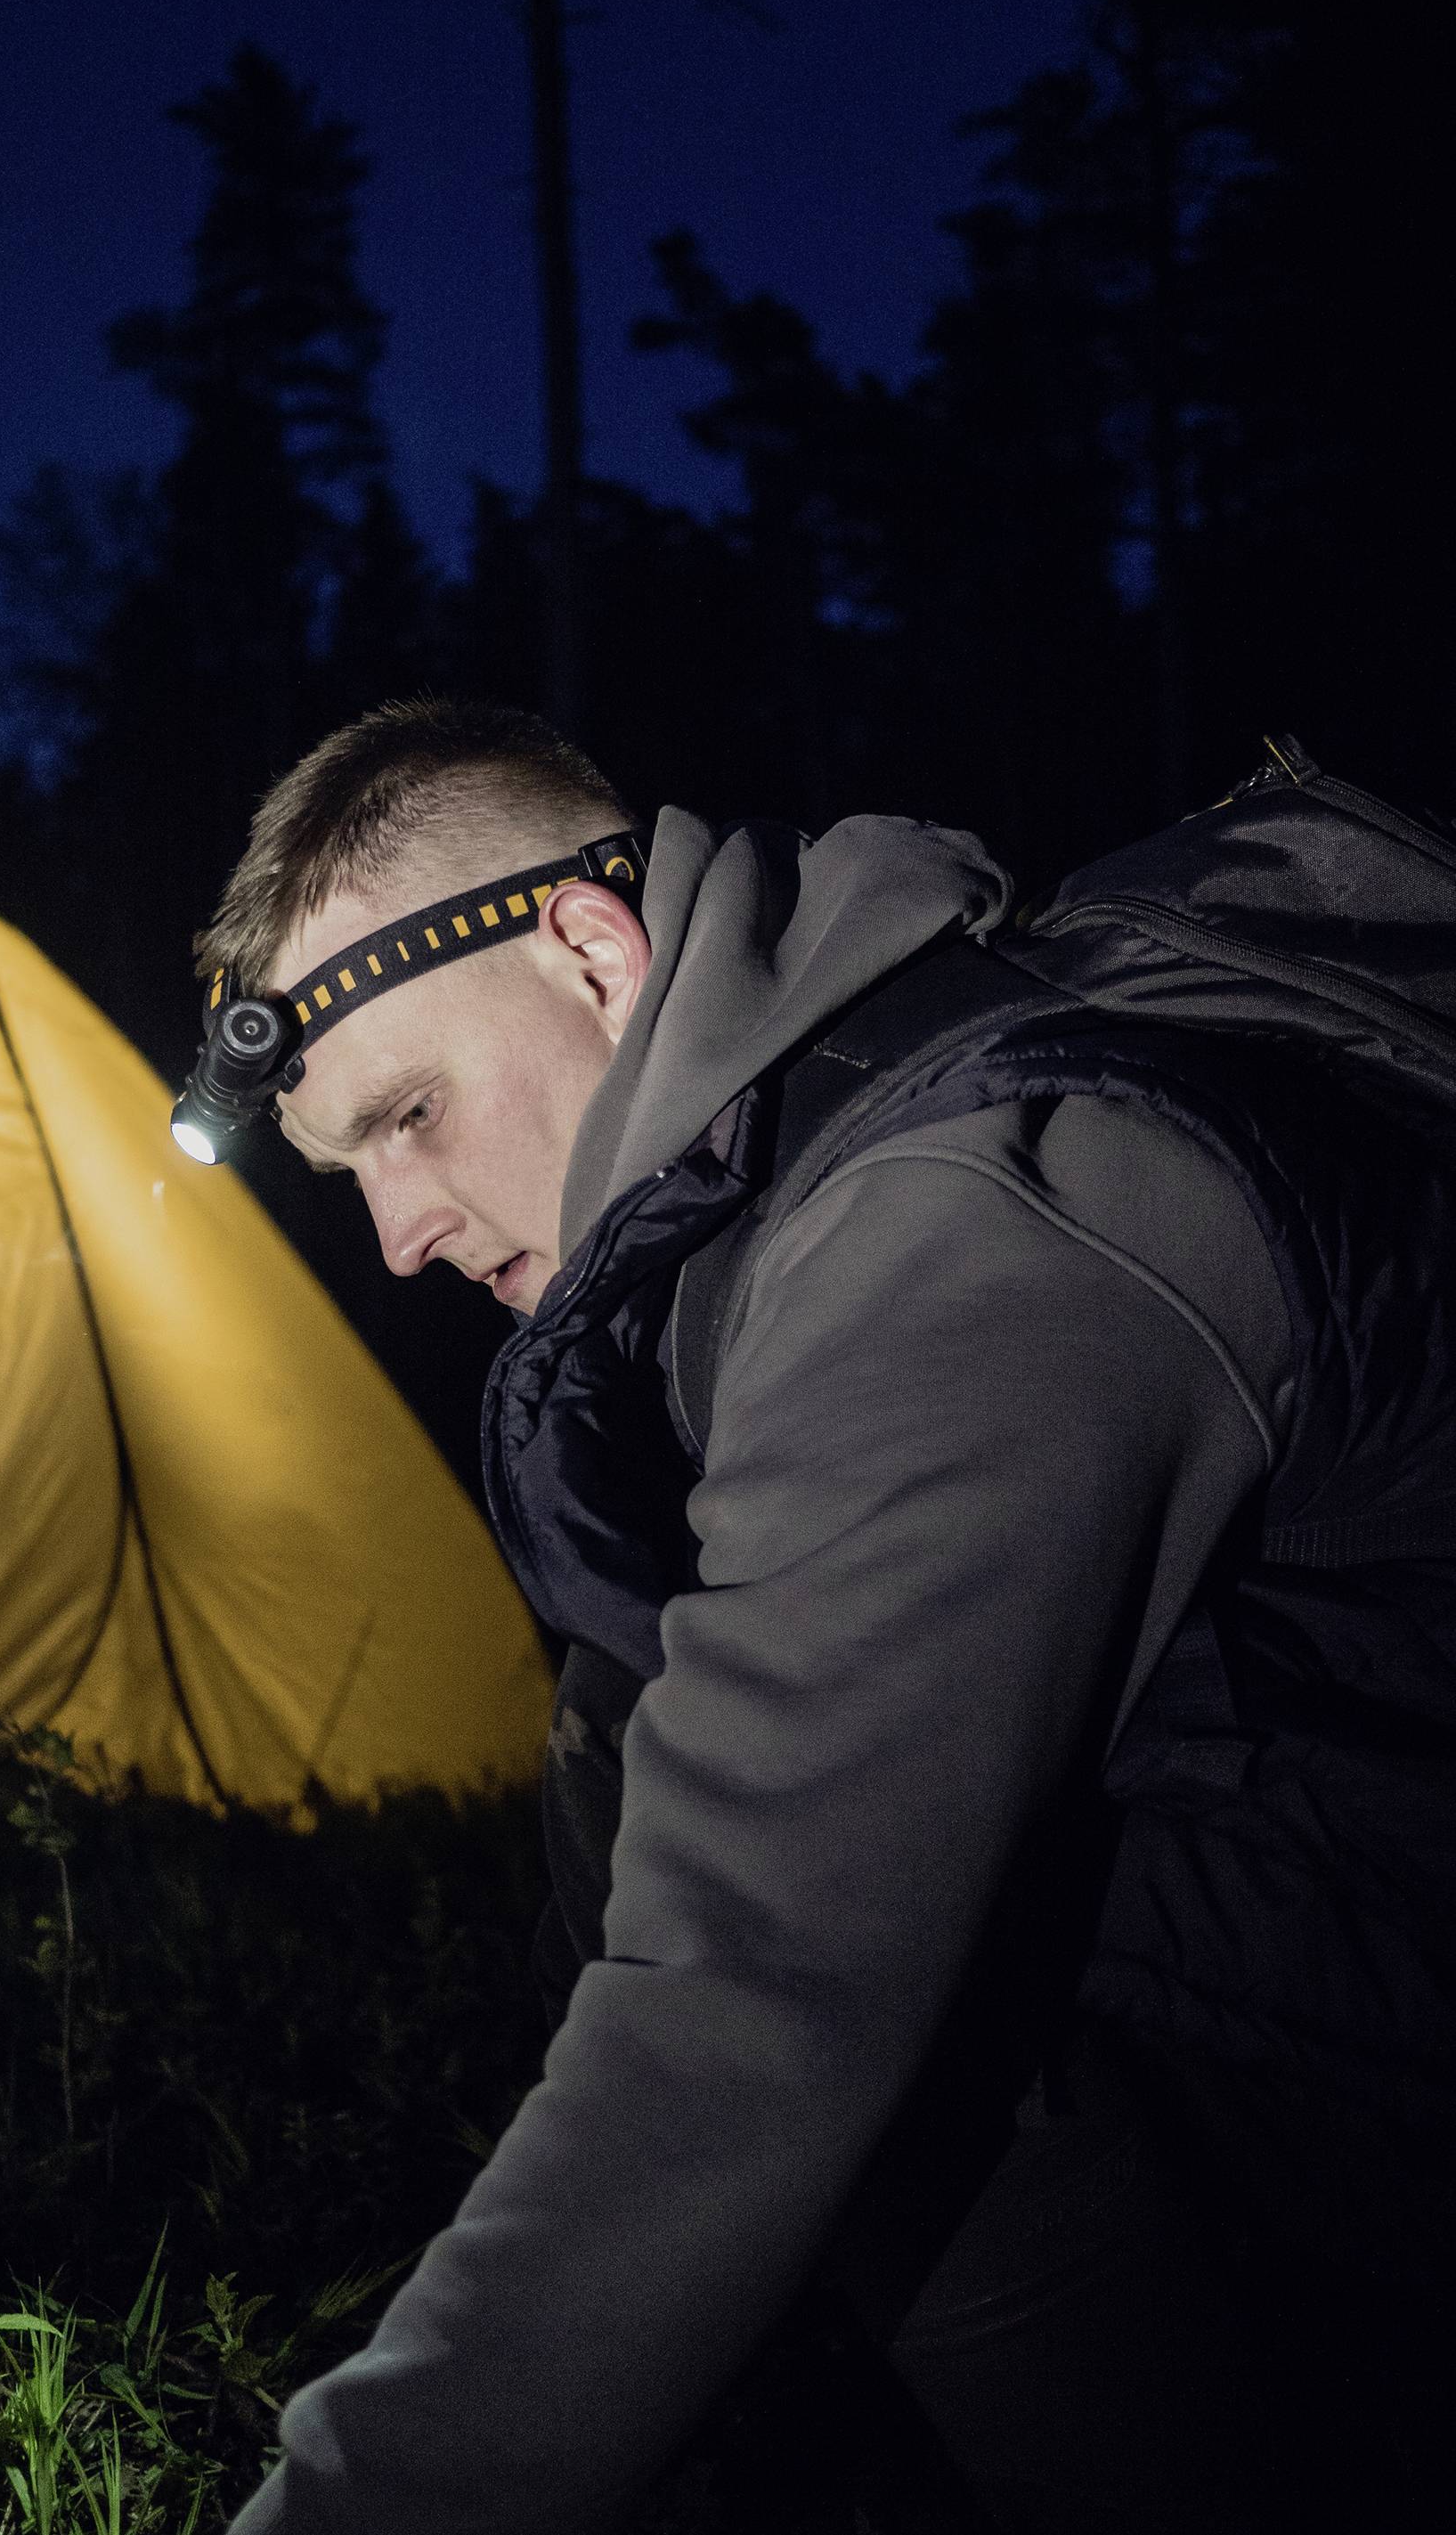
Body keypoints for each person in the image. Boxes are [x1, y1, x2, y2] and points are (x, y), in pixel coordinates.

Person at [194, 697, 1456, 2533]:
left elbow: (753, 1995)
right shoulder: (802, 1166)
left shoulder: (965, 1206)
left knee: (829, 1942)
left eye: (410, 1116)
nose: (398, 1234)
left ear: (593, 955)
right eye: (350, 1172)